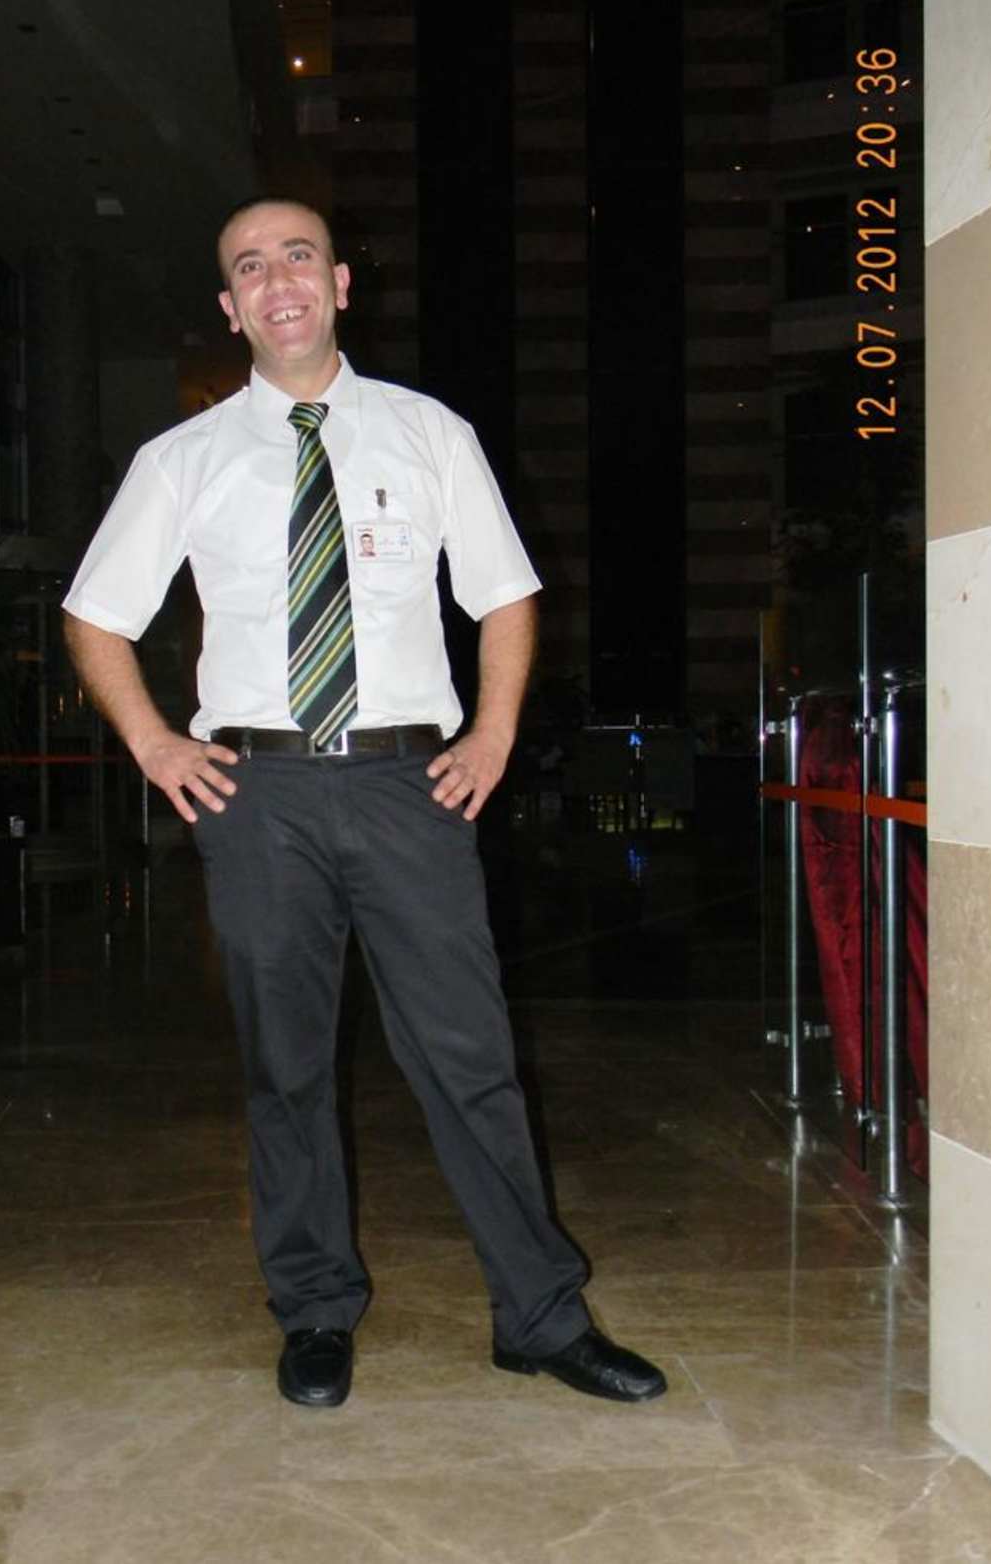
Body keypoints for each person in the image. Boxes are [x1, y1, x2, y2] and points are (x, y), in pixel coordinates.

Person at [62, 196, 666, 1411]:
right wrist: (155, 743)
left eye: (299, 255)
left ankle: (541, 1317)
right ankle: (314, 1307)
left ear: (341, 283)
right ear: (230, 307)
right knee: (285, 1066)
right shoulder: (182, 460)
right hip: (259, 791)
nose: (277, 279)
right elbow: (95, 615)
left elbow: (504, 595)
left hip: (407, 784)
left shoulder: (428, 433)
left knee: (470, 1057)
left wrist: (493, 731)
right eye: (250, 266)